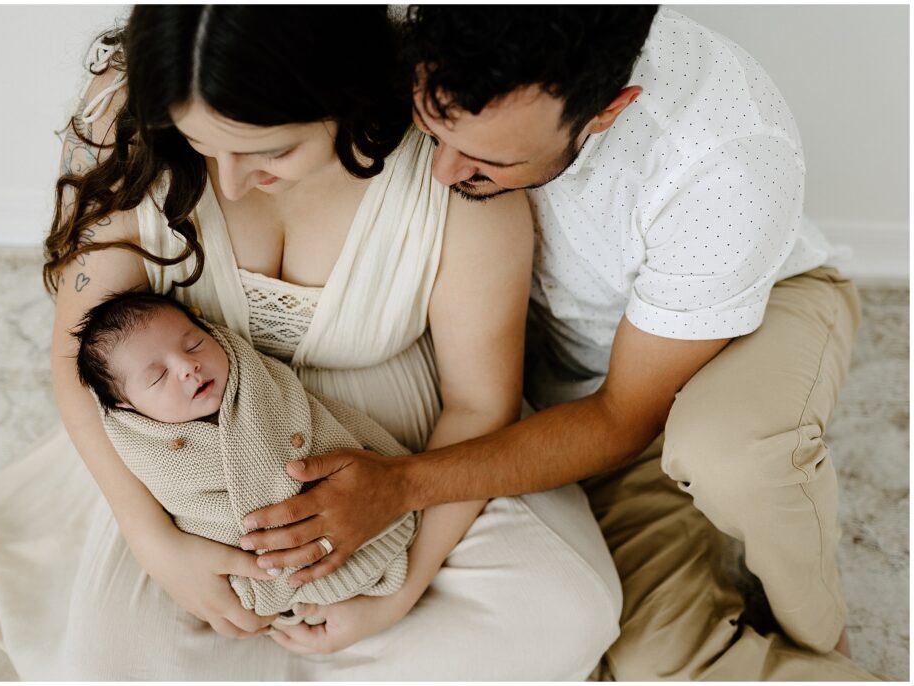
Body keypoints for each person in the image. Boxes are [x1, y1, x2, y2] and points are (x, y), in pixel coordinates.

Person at [0, 6, 621, 681]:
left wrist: (402, 587)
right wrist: (156, 543)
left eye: (266, 151)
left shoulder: (445, 151)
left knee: (562, 612)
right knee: (111, 660)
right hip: (187, 444)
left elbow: (476, 402)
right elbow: (75, 352)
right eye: (201, 147)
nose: (232, 184)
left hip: (401, 437)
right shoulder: (130, 117)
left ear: (347, 96)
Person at [241, 6, 882, 680]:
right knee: (652, 663)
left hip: (748, 323)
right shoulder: (419, 29)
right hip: (573, 385)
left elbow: (620, 416)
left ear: (608, 111)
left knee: (734, 453)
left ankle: (818, 628)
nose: (444, 173)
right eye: (433, 131)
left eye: (490, 160)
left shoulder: (726, 161)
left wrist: (399, 488)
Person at [72, 291, 419, 622]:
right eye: (158, 376)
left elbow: (335, 426)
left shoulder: (261, 386)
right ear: (128, 407)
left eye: (194, 344)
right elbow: (191, 509)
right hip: (243, 576)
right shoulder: (148, 450)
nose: (188, 367)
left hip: (358, 520)